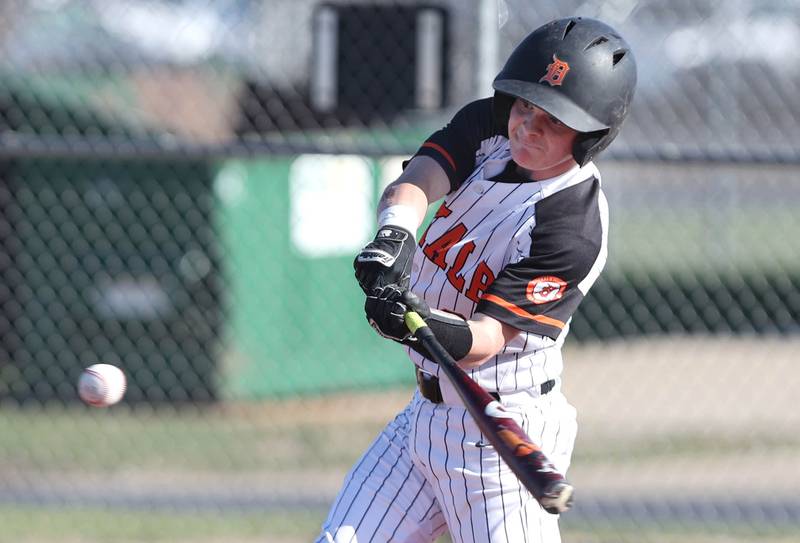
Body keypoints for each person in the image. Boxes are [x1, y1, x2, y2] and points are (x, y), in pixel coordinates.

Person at [317, 16, 637, 543]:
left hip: (501, 428)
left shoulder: (571, 224)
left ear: (591, 135)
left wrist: (417, 325)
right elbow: (418, 178)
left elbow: (485, 340)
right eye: (526, 106)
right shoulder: (491, 128)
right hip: (424, 418)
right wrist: (395, 235)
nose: (528, 126)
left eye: (554, 121)